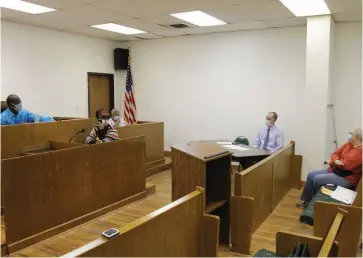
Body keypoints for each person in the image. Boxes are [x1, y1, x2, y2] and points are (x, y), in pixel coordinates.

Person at [297, 127, 362, 208]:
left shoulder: (360, 152)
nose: (349, 135)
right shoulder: (348, 144)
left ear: (357, 137)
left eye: (351, 133)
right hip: (335, 170)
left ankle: (315, 205)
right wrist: (336, 160)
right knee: (311, 175)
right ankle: (307, 201)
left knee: (317, 179)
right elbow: (334, 154)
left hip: (347, 178)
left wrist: (331, 162)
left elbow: (345, 166)